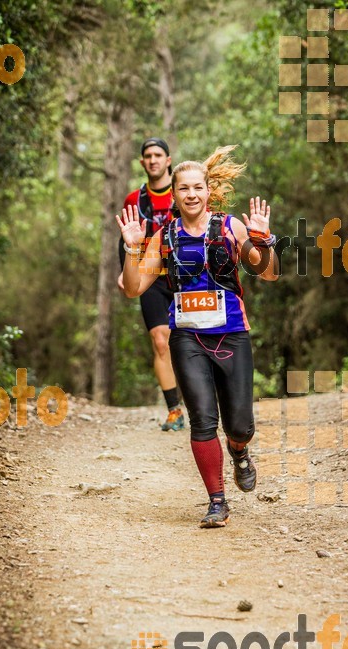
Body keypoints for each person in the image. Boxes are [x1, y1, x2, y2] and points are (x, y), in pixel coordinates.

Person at [116, 146, 278, 528]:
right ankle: (217, 501)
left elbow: (269, 274)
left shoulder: (229, 228)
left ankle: (239, 452)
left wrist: (263, 242)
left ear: (209, 191)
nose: (191, 194)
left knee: (240, 426)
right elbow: (133, 288)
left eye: (197, 187)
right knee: (203, 420)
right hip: (187, 339)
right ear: (173, 195)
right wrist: (131, 247)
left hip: (232, 335)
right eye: (183, 188)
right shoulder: (164, 236)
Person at [117, 137, 184, 431]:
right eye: (148, 156)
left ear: (168, 160)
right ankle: (174, 410)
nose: (153, 160)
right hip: (150, 276)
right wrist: (125, 270)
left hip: (184, 273)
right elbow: (126, 237)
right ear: (142, 162)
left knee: (193, 340)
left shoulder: (182, 191)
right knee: (160, 341)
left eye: (158, 155)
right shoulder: (134, 200)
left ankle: (205, 402)